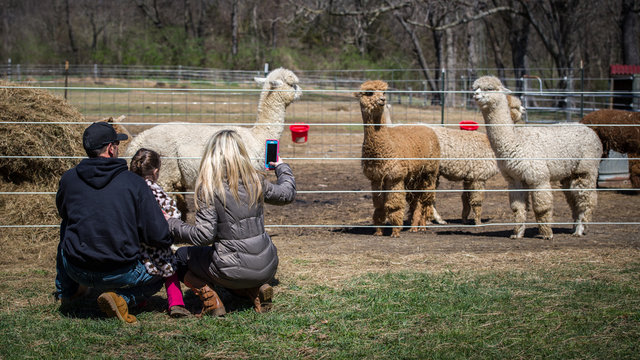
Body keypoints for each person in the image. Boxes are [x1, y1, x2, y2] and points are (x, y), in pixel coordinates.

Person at [167, 129, 296, 316]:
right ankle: (255, 292)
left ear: (211, 154)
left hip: (230, 268)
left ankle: (212, 300)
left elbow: (204, 236)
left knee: (180, 256)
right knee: (235, 267)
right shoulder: (256, 180)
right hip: (267, 266)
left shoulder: (209, 188)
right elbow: (287, 194)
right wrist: (281, 167)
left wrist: (171, 223)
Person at [55, 122, 172, 324]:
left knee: (66, 226)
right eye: (117, 144)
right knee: (163, 271)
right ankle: (122, 298)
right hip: (121, 271)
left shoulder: (69, 179)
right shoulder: (134, 183)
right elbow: (158, 235)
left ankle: (66, 292)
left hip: (77, 268)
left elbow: (63, 212)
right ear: (111, 149)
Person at [129, 148, 190, 318]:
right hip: (157, 243)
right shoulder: (156, 190)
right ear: (155, 172)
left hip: (135, 244)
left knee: (142, 267)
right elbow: (174, 214)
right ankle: (176, 302)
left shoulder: (130, 188)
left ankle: (139, 301)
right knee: (170, 267)